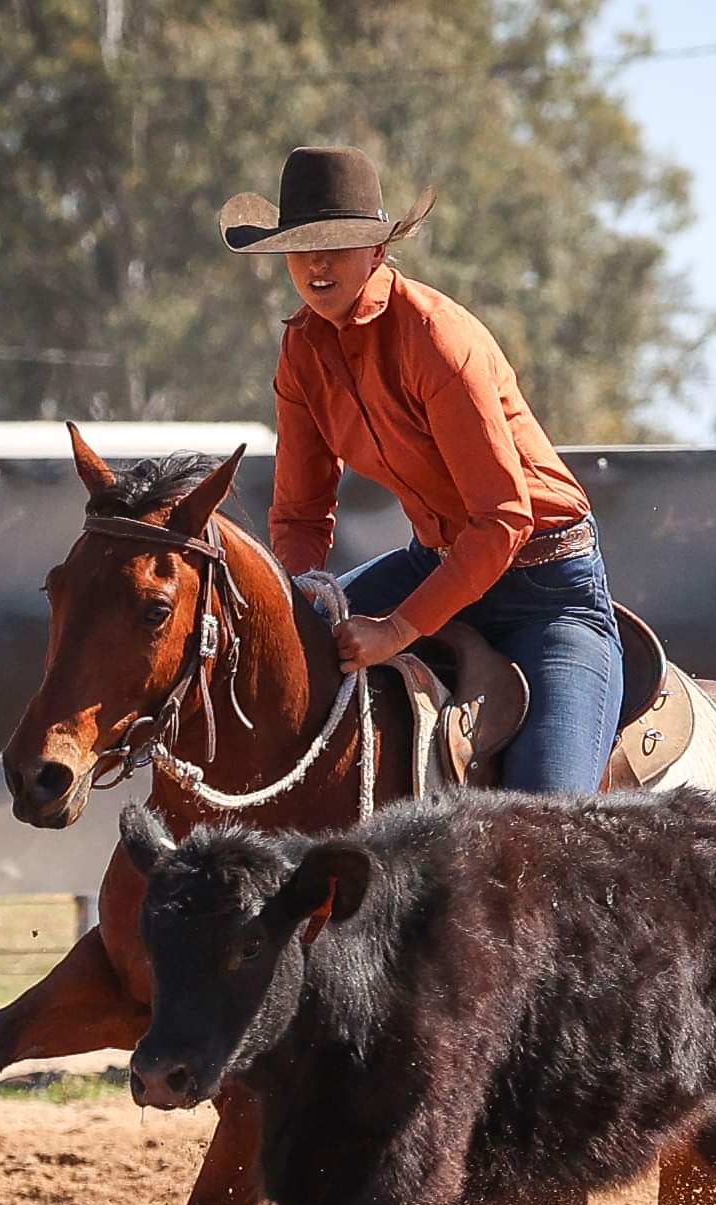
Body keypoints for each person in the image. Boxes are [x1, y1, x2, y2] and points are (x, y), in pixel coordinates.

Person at [220, 145, 623, 795]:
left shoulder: (436, 337)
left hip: (545, 589)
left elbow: (504, 520)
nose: (317, 264)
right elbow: (299, 514)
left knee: (547, 816)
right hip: (434, 564)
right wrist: (302, 596)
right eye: (301, 246)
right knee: (270, 656)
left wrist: (397, 630)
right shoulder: (300, 350)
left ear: (377, 251)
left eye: (336, 244)